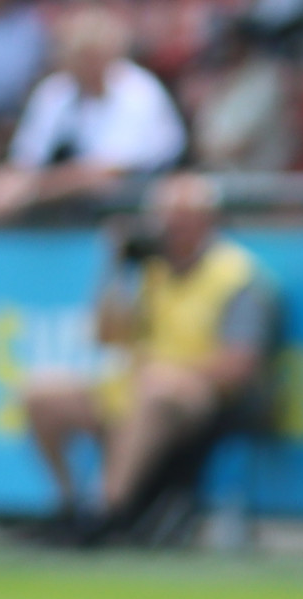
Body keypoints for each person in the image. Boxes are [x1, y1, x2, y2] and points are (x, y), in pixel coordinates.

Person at [14, 172, 280, 543]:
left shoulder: (236, 276)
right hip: (135, 385)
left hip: (197, 397)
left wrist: (171, 371)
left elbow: (240, 366)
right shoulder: (150, 270)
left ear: (206, 221)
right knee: (40, 392)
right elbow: (104, 337)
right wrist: (114, 267)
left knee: (155, 390)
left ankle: (108, 511)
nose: (170, 228)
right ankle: (68, 504)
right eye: (163, 218)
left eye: (180, 218)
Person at [0, 2, 184, 220]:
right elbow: (24, 162)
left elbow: (106, 173)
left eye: (93, 55)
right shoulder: (54, 91)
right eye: (79, 55)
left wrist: (31, 190)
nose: (87, 64)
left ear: (112, 53)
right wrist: (3, 184)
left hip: (142, 201)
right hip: (65, 204)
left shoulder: (138, 90)